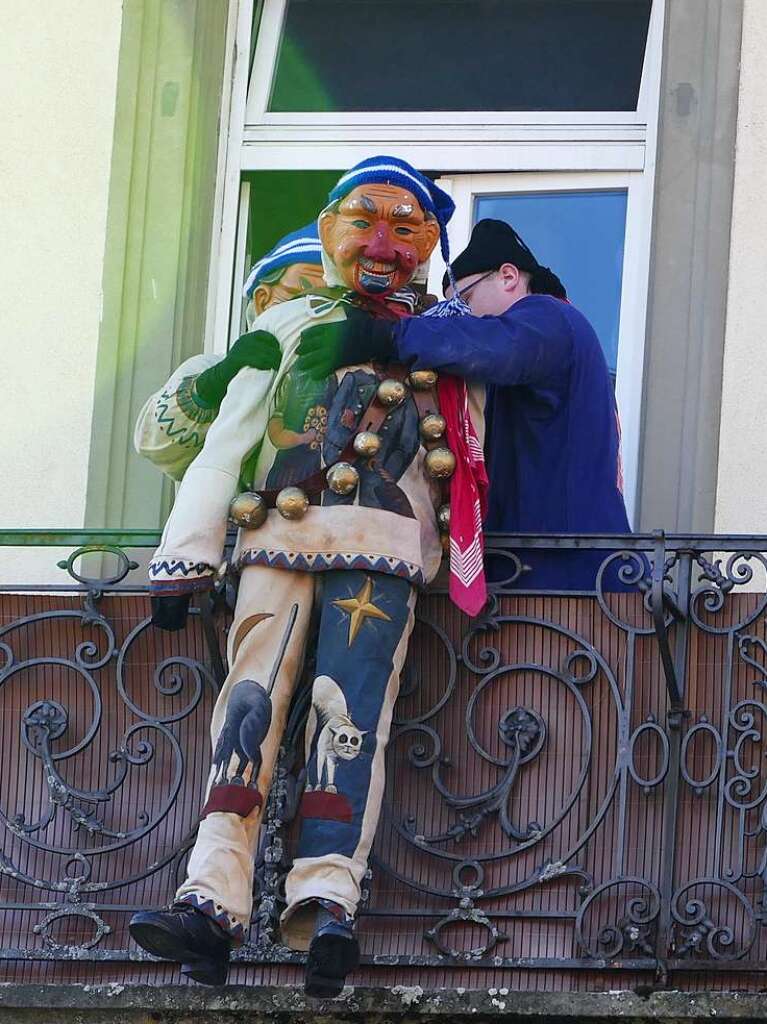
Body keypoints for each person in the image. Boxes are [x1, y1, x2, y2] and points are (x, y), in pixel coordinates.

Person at [129, 157, 483, 996]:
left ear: (429, 244)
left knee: (351, 722)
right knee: (246, 711)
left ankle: (327, 897)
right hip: (278, 539)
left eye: (407, 230)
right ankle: (211, 901)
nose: (384, 245)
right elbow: (220, 445)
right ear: (331, 228)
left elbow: (467, 448)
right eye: (366, 222)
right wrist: (185, 556)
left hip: (382, 549)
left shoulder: (439, 335)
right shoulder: (288, 326)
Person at [296, 217, 632, 590]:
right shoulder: (556, 337)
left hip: (568, 580)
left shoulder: (548, 315)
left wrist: (389, 337)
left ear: (508, 277)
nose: (461, 315)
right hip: (549, 571)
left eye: (466, 300)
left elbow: (491, 345)